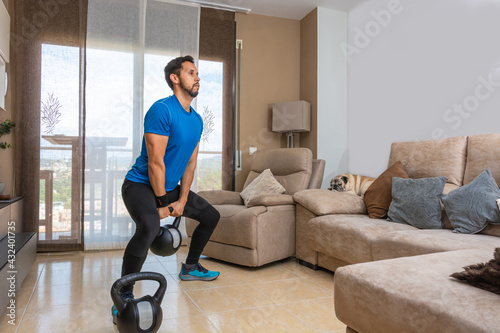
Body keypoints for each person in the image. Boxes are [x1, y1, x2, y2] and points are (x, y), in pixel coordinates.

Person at [119, 55, 220, 299]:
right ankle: (123, 294)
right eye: (191, 73)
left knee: (211, 216)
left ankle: (191, 266)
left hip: (168, 187)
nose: (197, 78)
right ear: (175, 78)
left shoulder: (196, 120)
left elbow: (190, 164)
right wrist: (163, 204)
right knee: (150, 226)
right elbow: (155, 164)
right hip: (139, 185)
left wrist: (183, 199)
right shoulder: (161, 110)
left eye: (197, 73)